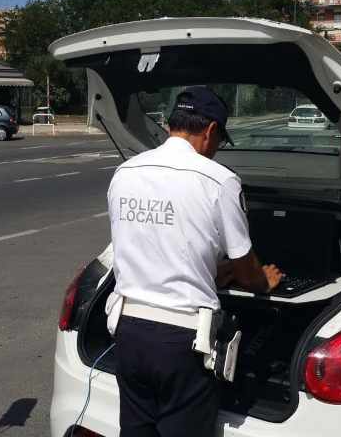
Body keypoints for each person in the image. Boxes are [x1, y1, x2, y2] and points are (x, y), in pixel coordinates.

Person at [107, 86, 284, 437]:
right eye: (219, 141)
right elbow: (247, 270)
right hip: (182, 342)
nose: (216, 150)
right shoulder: (219, 181)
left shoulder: (125, 172)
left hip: (128, 333)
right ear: (211, 130)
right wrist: (265, 280)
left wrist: (217, 272)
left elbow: (153, 250)